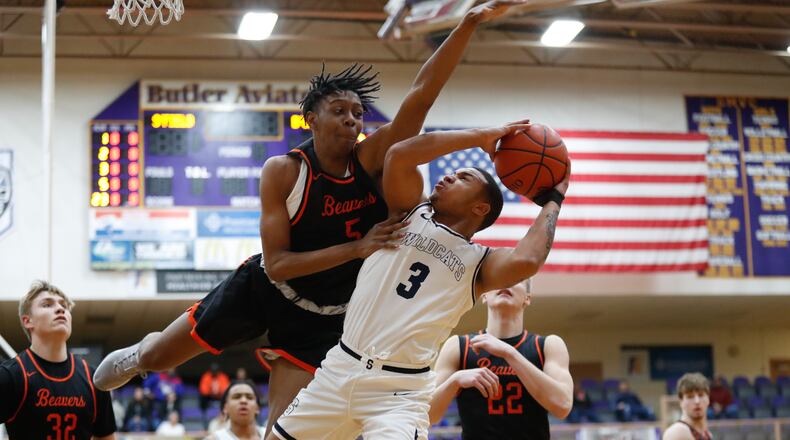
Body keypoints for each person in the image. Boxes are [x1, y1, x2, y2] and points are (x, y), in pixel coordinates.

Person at [94, 1, 525, 437]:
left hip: (326, 317)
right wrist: (356, 248)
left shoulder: (371, 161)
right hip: (266, 288)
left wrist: (467, 23)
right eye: (340, 111)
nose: (352, 120)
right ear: (311, 118)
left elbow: (422, 95)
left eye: (358, 113)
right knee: (159, 358)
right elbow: (278, 262)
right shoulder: (284, 170)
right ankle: (139, 355)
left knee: (281, 431)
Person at [269, 119, 570, 440]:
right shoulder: (409, 210)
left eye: (462, 178)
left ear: (480, 207)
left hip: (398, 391)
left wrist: (554, 198)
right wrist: (479, 136)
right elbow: (399, 154)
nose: (448, 176)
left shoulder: (478, 263)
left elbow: (527, 259)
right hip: (340, 367)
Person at [429, 280, 573, 439]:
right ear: (484, 295)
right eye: (499, 278)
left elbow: (563, 406)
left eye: (517, 279)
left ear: (527, 298)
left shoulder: (548, 345)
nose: (506, 282)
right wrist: (454, 381)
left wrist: (509, 353)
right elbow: (428, 416)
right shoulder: (458, 346)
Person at [0, 280, 117, 439]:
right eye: (47, 305)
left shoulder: (95, 378)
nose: (60, 309)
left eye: (64, 305)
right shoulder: (10, 375)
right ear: (27, 321)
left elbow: (105, 437)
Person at [662, 373, 712, 440]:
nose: (697, 401)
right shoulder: (676, 433)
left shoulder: (707, 434)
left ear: (708, 399)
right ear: (681, 402)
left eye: (701, 395)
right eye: (690, 397)